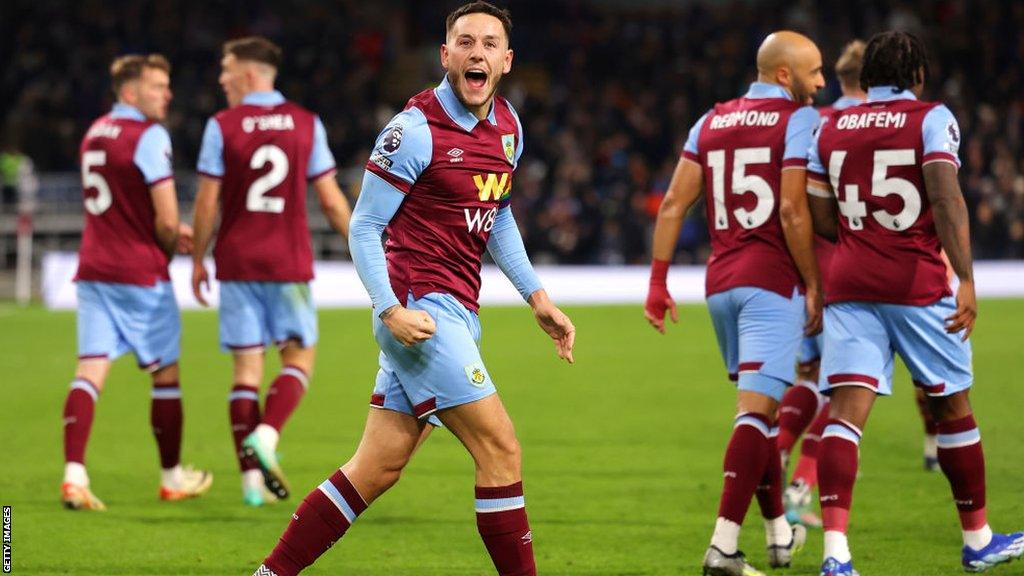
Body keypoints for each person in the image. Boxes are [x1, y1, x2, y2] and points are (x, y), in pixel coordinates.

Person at [253, 3, 575, 575]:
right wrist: (389, 310)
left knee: (376, 468)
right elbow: (364, 225)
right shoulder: (413, 130)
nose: (477, 52)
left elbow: (495, 215)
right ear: (446, 55)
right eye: (465, 41)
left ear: (506, 60)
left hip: (457, 309)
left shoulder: (509, 127)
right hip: (421, 316)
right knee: (501, 450)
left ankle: (268, 574)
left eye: (490, 43)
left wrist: (537, 296)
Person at [806, 30, 1024, 576]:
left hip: (850, 285)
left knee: (845, 416)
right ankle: (977, 540)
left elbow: (820, 213)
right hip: (918, 285)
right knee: (952, 407)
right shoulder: (931, 118)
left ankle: (836, 556)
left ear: (867, 77)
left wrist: (860, 239)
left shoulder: (829, 126)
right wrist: (967, 278)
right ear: (918, 76)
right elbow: (947, 196)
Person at [645, 30, 824, 576]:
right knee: (754, 415)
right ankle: (723, 547)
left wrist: (657, 280)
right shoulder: (798, 121)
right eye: (814, 72)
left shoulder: (711, 120)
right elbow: (794, 213)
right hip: (773, 282)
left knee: (761, 415)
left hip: (720, 283)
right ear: (785, 75)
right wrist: (815, 281)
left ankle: (776, 535)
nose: (822, 83)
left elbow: (674, 202)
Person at [191, 36, 352, 507]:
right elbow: (329, 198)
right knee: (299, 360)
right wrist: (365, 248)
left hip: (237, 261)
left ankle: (250, 485)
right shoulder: (306, 124)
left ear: (248, 73)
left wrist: (199, 257)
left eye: (226, 70)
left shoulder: (222, 126)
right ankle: (267, 434)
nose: (221, 80)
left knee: (245, 371)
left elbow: (206, 202)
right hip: (287, 262)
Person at [63, 54, 210, 510]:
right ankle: (171, 477)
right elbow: (166, 218)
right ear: (130, 92)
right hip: (139, 273)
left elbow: (122, 206)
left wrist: (157, 232)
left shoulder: (94, 133)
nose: (166, 94)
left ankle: (74, 475)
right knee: (165, 373)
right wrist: (168, 246)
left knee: (90, 372)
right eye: (156, 87)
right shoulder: (149, 135)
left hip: (93, 269)